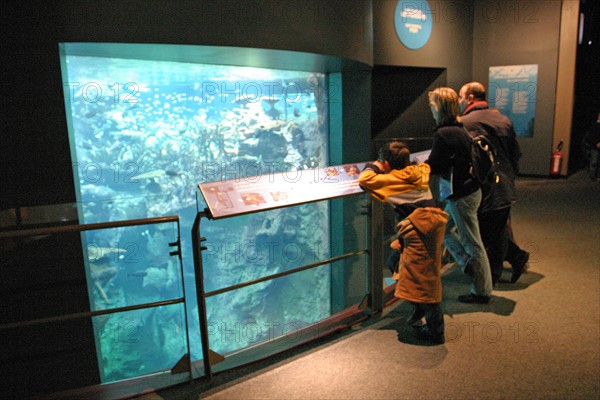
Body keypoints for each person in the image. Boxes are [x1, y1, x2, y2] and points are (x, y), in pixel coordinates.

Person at [359, 142, 448, 344]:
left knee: (425, 281)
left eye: (383, 162)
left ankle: (436, 332)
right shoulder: (416, 171)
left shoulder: (393, 179)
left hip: (419, 229)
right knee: (396, 261)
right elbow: (426, 166)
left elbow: (365, 180)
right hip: (426, 225)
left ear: (387, 163)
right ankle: (417, 309)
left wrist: (374, 166)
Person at [426, 87, 493, 303]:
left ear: (439, 108)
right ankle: (467, 265)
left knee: (473, 242)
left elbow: (435, 165)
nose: (431, 110)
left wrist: (415, 168)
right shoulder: (459, 128)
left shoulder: (444, 133)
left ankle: (482, 291)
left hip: (461, 195)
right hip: (470, 190)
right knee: (445, 232)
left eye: (433, 105)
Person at [458, 82, 526, 284]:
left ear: (470, 97)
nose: (460, 102)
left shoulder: (466, 122)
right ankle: (515, 258)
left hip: (485, 185)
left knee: (488, 232)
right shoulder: (503, 119)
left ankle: (493, 276)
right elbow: (515, 153)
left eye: (461, 97)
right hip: (505, 183)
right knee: (496, 228)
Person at [583, 112, 600, 180]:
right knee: (594, 161)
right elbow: (592, 136)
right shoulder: (595, 126)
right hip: (594, 147)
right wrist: (596, 143)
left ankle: (596, 175)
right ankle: (593, 176)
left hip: (595, 146)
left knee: (596, 161)